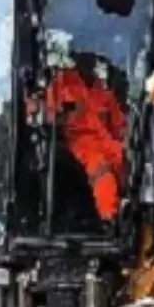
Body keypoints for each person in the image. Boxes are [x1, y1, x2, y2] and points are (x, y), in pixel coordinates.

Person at [31, 36, 127, 222]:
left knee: (127, 161)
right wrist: (59, 115)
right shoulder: (61, 83)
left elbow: (119, 127)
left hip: (105, 141)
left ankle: (133, 213)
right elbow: (48, 118)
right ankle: (109, 219)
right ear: (77, 56)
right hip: (78, 143)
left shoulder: (103, 91)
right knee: (102, 171)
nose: (89, 60)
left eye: (92, 55)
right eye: (85, 54)